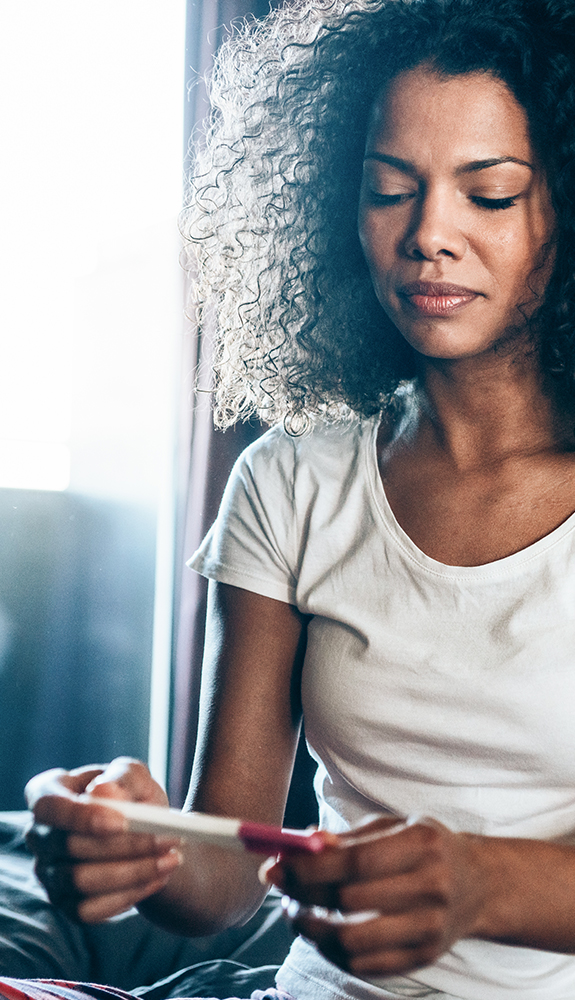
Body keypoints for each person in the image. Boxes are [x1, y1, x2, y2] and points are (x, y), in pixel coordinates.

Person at [9, 0, 575, 998]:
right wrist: (137, 842)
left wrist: (480, 883)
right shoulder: (290, 478)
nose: (427, 234)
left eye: (487, 192)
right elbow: (224, 879)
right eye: (389, 189)